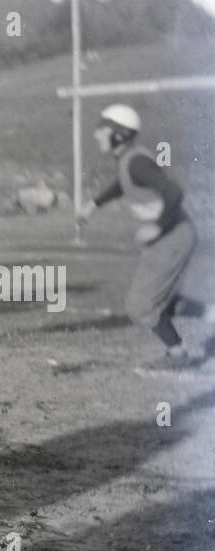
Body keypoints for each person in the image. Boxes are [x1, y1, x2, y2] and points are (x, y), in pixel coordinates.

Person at [77, 102, 212, 370]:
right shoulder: (130, 160)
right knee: (157, 301)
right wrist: (94, 204)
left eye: (102, 129)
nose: (96, 134)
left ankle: (178, 354)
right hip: (169, 237)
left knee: (140, 306)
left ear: (118, 134)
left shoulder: (136, 161)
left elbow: (174, 192)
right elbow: (123, 185)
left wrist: (157, 226)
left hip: (172, 236)